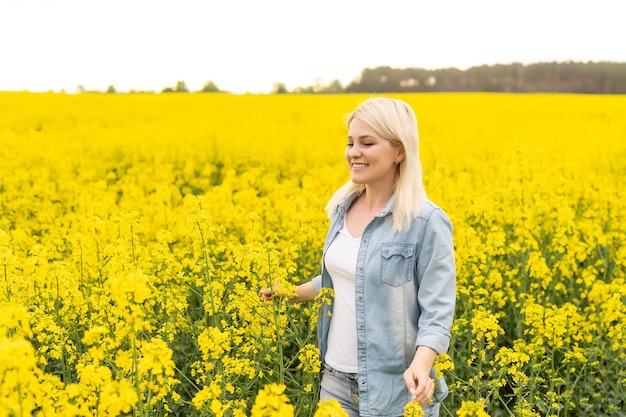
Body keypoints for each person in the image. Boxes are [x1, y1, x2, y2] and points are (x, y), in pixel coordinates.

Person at [260, 97, 456, 417]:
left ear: (399, 151)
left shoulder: (426, 222)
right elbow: (347, 276)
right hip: (334, 380)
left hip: (394, 388)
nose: (354, 152)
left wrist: (422, 363)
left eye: (367, 143)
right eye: (350, 142)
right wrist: (293, 293)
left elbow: (438, 309)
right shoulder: (343, 208)